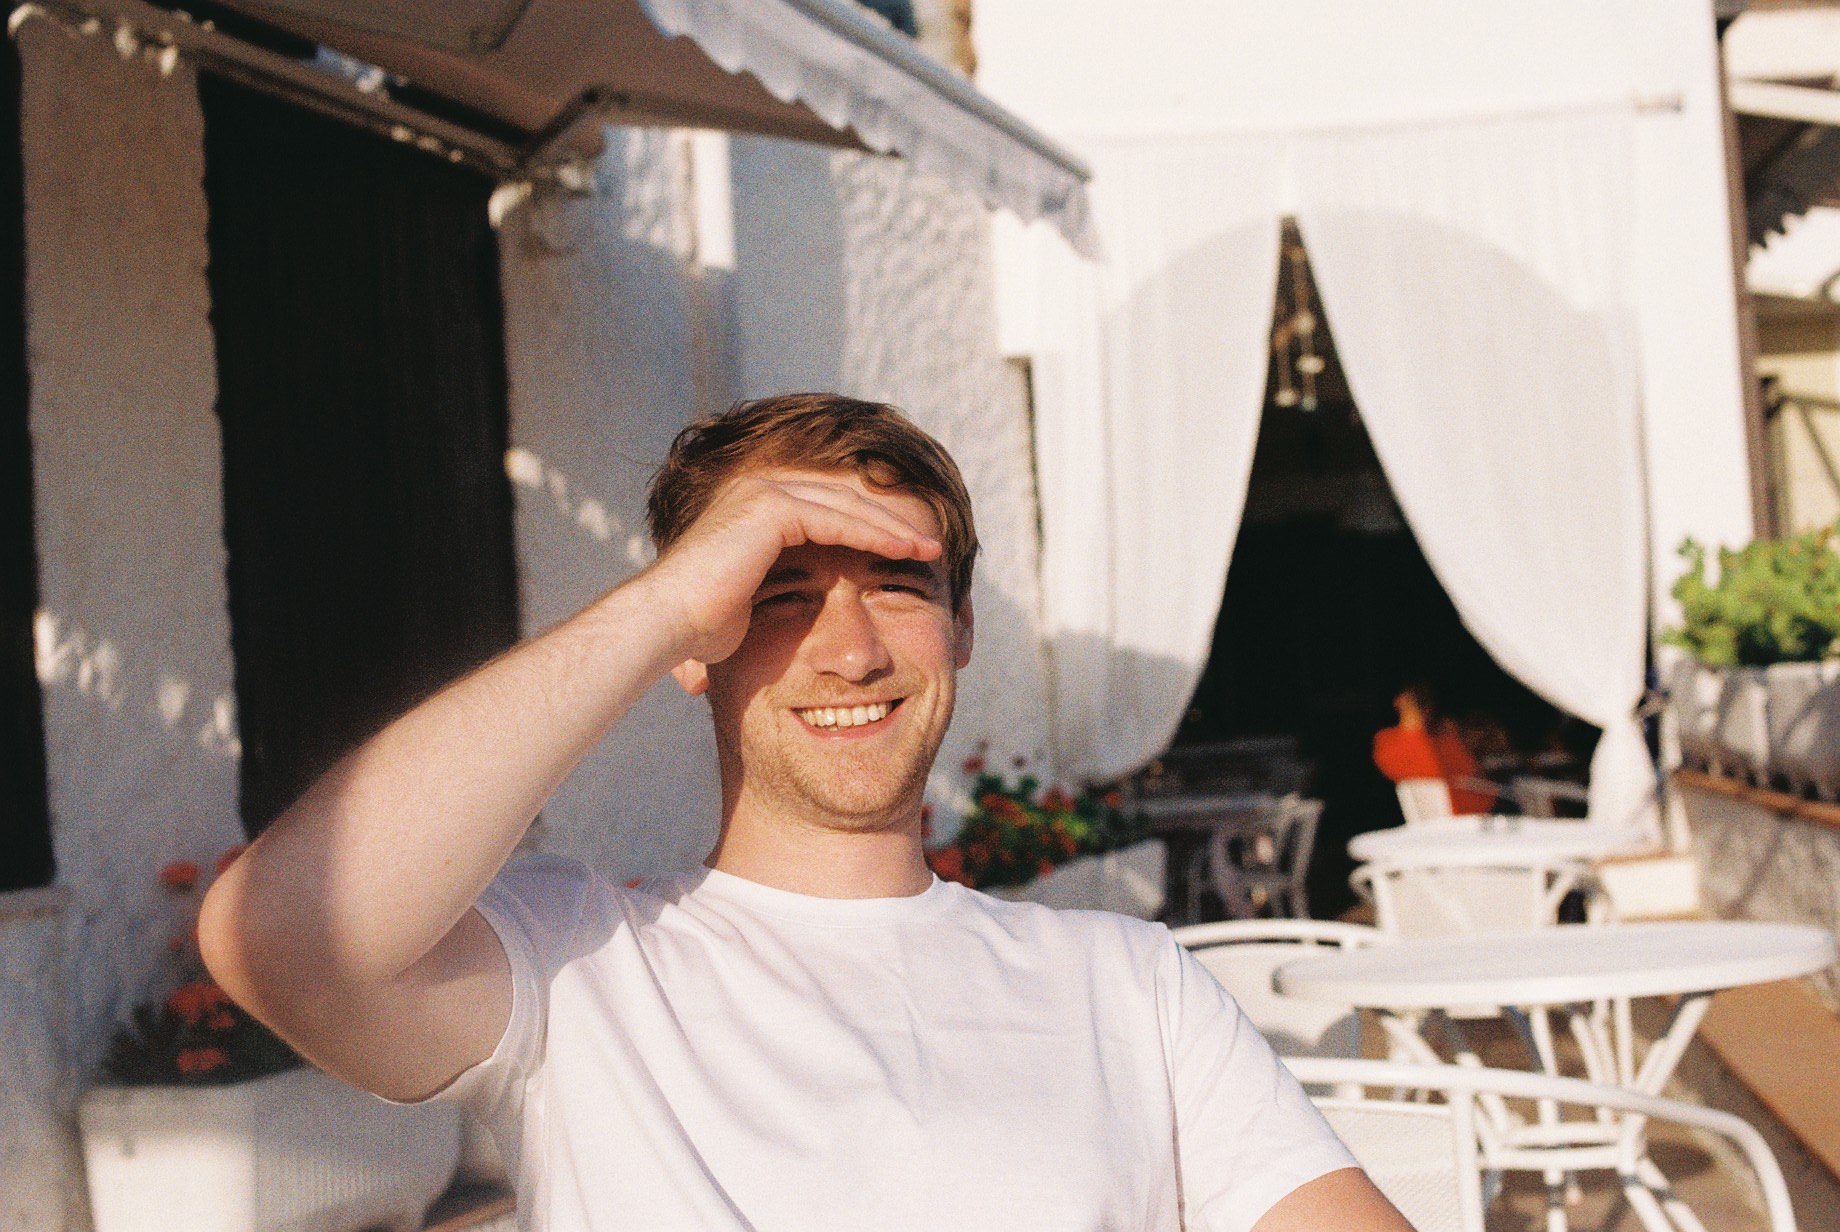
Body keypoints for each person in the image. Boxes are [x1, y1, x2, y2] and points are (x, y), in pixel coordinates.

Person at [200, 394, 1410, 1231]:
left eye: (896, 584)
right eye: (776, 593)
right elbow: (274, 934)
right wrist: (665, 602)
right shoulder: (582, 966)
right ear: (696, 644)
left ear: (963, 627)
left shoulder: (1129, 982)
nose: (847, 648)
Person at [1372, 683, 1498, 815]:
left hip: (1472, 811)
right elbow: (1435, 774)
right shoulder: (1387, 739)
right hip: (1459, 816)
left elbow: (1475, 775)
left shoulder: (1445, 740)